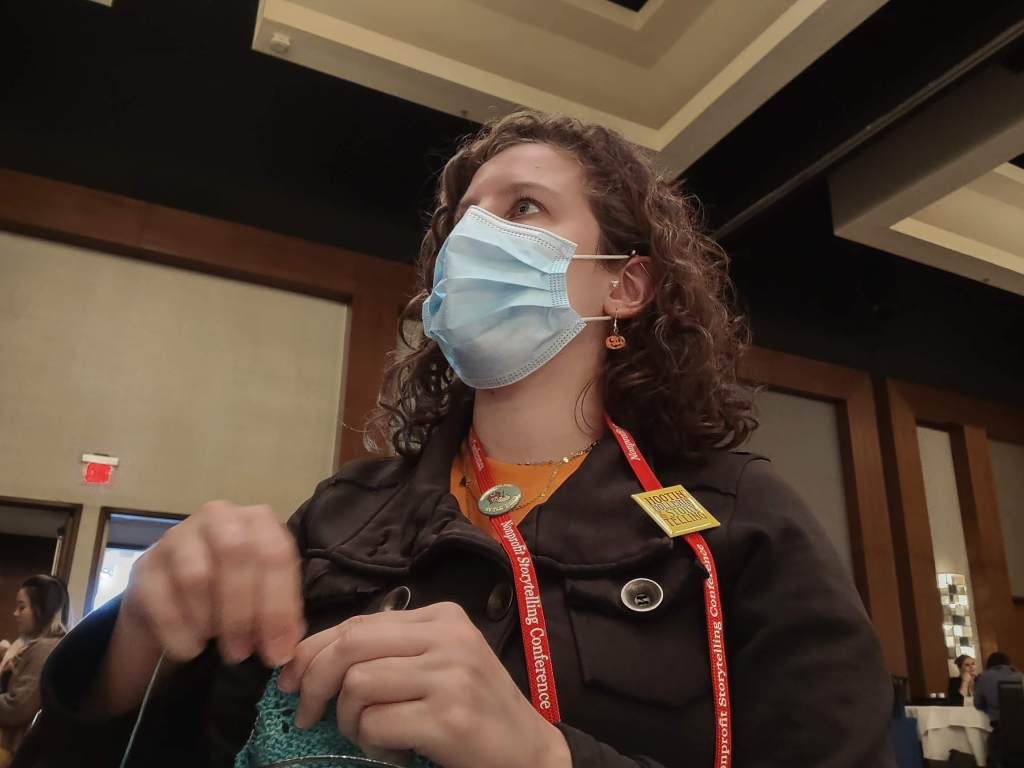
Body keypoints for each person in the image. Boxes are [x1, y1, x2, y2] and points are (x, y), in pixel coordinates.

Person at [15, 111, 894, 768]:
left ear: (626, 285)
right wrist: (133, 643)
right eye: (459, 220)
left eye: (522, 208)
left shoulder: (736, 520)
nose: (471, 240)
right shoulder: (340, 513)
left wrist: (550, 759)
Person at [0, 576, 68, 767]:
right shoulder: (39, 646)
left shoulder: (44, 648)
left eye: (21, 607)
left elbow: (18, 707)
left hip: (13, 750)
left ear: (41, 610)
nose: (15, 613)